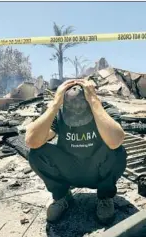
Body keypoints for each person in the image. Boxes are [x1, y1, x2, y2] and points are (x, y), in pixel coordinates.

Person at [25, 79, 127, 224]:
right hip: (69, 170)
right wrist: (55, 104)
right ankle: (62, 196)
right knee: (36, 153)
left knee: (117, 151)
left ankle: (105, 197)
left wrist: (93, 100)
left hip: (97, 170)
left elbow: (116, 140)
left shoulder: (104, 109)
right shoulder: (60, 112)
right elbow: (31, 141)